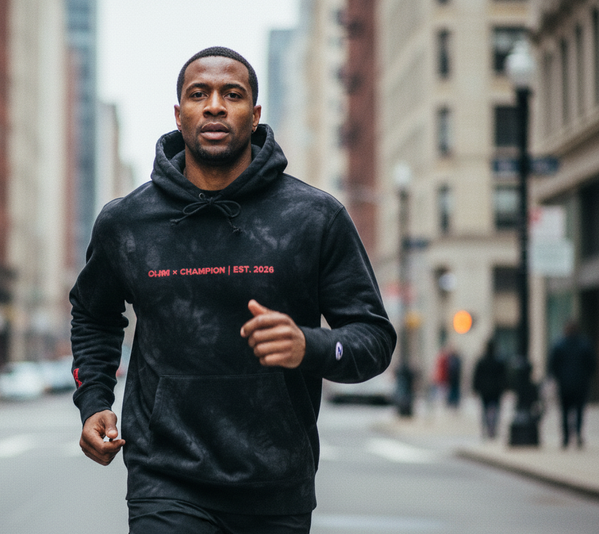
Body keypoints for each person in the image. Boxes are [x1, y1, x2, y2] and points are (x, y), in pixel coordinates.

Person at [70, 46, 396, 533]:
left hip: (275, 485)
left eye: (232, 94)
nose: (216, 105)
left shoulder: (313, 217)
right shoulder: (127, 222)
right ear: (180, 116)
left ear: (255, 114)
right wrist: (95, 400)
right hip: (165, 478)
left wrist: (310, 345)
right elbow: (93, 315)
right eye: (199, 94)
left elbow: (373, 337)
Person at [549, 321, 596, 449]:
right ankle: (578, 434)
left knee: (564, 412)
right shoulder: (584, 345)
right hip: (581, 384)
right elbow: (592, 364)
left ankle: (565, 438)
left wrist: (557, 378)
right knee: (579, 411)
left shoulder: (559, 345)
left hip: (565, 384)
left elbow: (553, 365)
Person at [472, 338, 507, 439]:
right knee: (496, 410)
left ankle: (486, 429)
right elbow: (503, 376)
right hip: (496, 390)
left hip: (485, 390)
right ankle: (493, 429)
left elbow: (476, 376)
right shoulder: (499, 361)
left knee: (484, 410)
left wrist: (475, 388)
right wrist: (505, 387)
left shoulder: (482, 361)